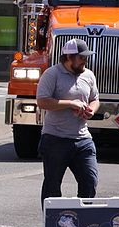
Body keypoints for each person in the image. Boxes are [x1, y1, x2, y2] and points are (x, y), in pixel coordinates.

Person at [37, 38, 100, 205]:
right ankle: (53, 226)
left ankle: (83, 221)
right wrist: (71, 103)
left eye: (86, 57)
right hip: (55, 139)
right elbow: (42, 101)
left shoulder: (88, 74)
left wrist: (91, 110)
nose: (85, 61)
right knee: (52, 186)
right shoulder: (52, 74)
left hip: (83, 139)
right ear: (68, 57)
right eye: (81, 57)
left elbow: (95, 99)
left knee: (89, 182)